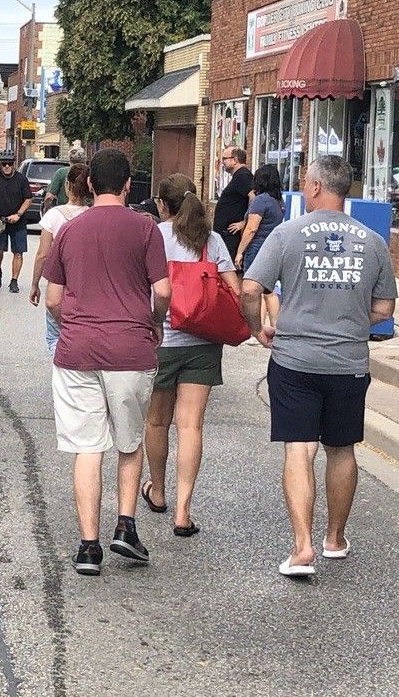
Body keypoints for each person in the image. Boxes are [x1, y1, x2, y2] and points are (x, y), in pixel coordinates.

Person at [241, 154, 397, 578]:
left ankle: (302, 546)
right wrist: (351, 322)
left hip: (295, 359)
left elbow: (251, 288)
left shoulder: (287, 234)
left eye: (304, 181)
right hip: (347, 362)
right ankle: (334, 539)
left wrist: (257, 328)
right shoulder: (373, 241)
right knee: (342, 448)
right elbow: (385, 307)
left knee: (299, 447)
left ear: (314, 187)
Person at [43, 148, 171, 576]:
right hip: (130, 349)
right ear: (129, 184)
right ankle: (126, 526)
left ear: (90, 184)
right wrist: (154, 322)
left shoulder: (69, 230)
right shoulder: (145, 228)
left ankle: (88, 547)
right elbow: (164, 291)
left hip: (77, 351)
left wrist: (74, 327)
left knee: (87, 447)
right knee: (129, 443)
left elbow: (53, 299)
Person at [143, 174, 241, 537]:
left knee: (157, 422)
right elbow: (234, 289)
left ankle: (157, 491)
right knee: (191, 426)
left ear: (162, 205)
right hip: (203, 342)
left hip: (161, 340)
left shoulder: (154, 236)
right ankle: (183, 512)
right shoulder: (211, 240)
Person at [29, 163, 91, 352]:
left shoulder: (54, 216)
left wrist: (35, 284)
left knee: (55, 336)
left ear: (67, 185)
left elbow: (42, 254)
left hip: (60, 283)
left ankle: (61, 365)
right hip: (86, 284)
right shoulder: (92, 215)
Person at [235, 163, 285, 326]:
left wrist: (240, 252)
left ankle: (258, 327)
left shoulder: (260, 200)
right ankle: (272, 325)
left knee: (255, 289)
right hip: (272, 248)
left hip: (257, 247)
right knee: (268, 290)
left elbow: (252, 229)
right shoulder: (278, 201)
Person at [0, 153, 31, 293]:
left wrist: (18, 214)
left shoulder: (21, 179)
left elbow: (28, 199)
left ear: (14, 164)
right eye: (4, 164)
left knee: (18, 252)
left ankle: (14, 280)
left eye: (10, 164)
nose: (7, 166)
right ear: (0, 164)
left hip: (18, 221)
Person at [213, 146, 252, 260]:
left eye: (224, 159)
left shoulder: (243, 176)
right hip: (227, 234)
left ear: (235, 160)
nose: (222, 162)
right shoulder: (239, 176)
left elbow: (254, 198)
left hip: (232, 235)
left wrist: (245, 222)